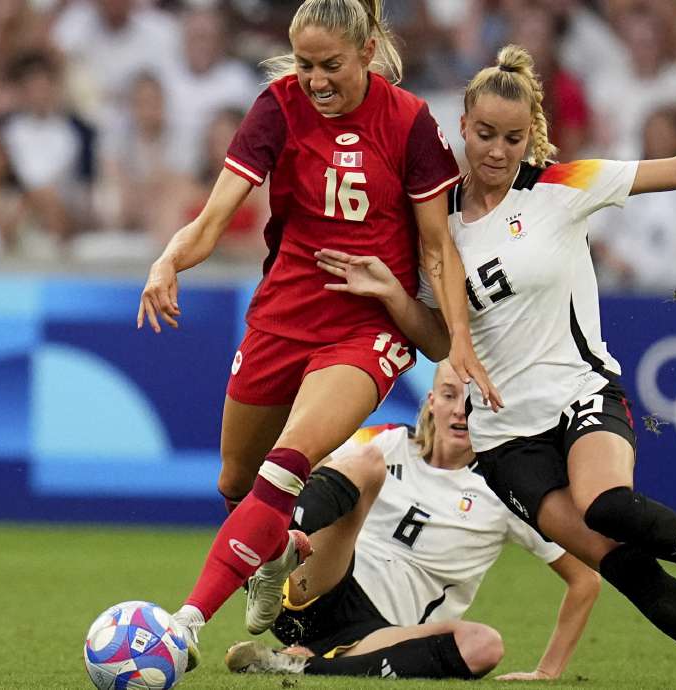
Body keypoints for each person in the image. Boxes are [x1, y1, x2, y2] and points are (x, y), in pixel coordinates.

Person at [315, 45, 676, 689]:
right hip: (504, 438)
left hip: (580, 393)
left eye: (513, 138)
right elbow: (438, 342)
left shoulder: (557, 187)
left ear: (529, 137)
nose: (496, 150)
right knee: (627, 569)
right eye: (485, 134)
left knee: (608, 507)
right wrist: (392, 293)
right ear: (462, 125)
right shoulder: (435, 225)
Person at [135, 0, 498, 673]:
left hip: (363, 329)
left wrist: (460, 338)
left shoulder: (410, 122)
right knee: (237, 481)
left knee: (286, 464)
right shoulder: (276, 106)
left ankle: (184, 624)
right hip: (282, 314)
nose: (316, 79)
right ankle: (272, 555)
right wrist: (168, 260)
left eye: (331, 65)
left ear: (366, 54)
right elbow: (215, 218)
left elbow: (438, 247)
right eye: (305, 64)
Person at [224, 361, 600, 680]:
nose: (460, 411)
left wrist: (548, 672)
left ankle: (299, 666)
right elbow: (311, 469)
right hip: (318, 587)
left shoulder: (505, 492)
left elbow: (585, 577)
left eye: (473, 402)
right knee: (345, 460)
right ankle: (268, 556)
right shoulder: (389, 441)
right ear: (432, 401)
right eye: (450, 396)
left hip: (378, 635)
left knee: (483, 645)